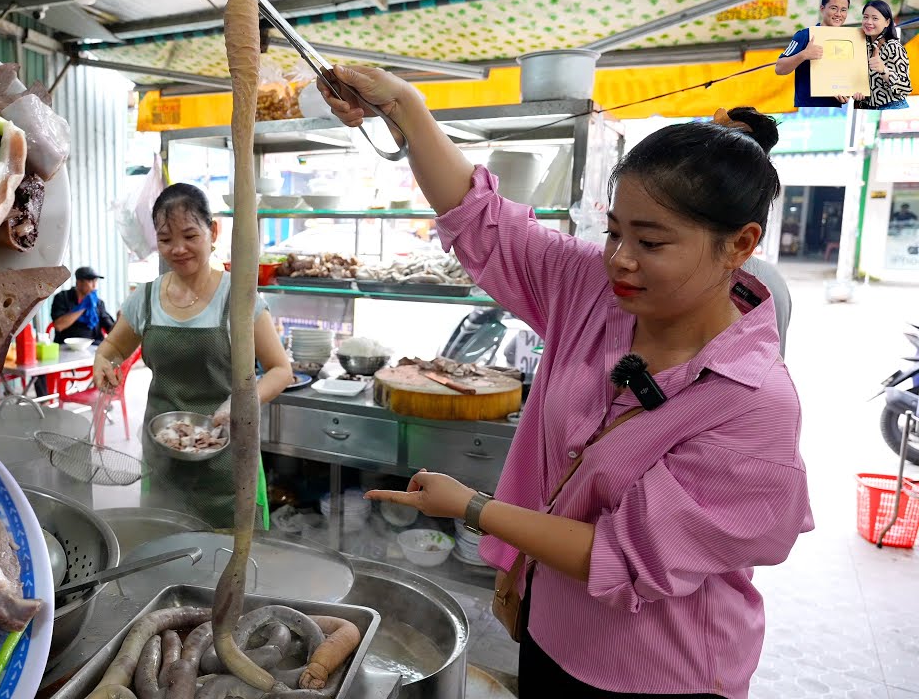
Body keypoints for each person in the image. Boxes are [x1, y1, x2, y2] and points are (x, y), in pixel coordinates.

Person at [321, 66, 813, 698]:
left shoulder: (752, 402)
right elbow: (484, 222)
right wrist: (406, 107)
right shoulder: (596, 291)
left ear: (740, 244)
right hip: (549, 628)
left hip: (658, 671)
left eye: (651, 242)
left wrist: (473, 507)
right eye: (614, 232)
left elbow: (623, 554)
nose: (621, 259)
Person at [91, 183, 293, 528]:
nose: (178, 249)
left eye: (190, 235)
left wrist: (241, 401)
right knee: (166, 544)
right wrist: (102, 362)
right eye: (165, 239)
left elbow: (280, 369)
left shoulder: (238, 297)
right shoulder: (146, 298)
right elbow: (112, 349)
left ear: (212, 232)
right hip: (164, 456)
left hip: (228, 462)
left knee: (229, 550)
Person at [774, 0, 850, 107]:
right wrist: (804, 54)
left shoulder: (850, 40)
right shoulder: (804, 35)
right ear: (822, 9)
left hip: (839, 109)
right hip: (806, 108)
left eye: (843, 10)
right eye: (834, 8)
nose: (838, 14)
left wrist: (848, 92)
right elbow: (779, 68)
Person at [854, 0, 911, 111]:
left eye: (875, 18)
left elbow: (906, 86)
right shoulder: (861, 46)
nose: (868, 22)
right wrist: (856, 92)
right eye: (865, 17)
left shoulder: (893, 46)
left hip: (891, 107)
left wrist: (884, 70)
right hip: (868, 108)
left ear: (887, 22)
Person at [51, 266, 115, 344]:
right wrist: (83, 306)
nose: (94, 285)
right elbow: (59, 326)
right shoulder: (62, 297)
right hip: (67, 345)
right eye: (90, 281)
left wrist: (119, 321)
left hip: (94, 344)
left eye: (95, 281)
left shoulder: (98, 303)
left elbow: (111, 330)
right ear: (79, 282)